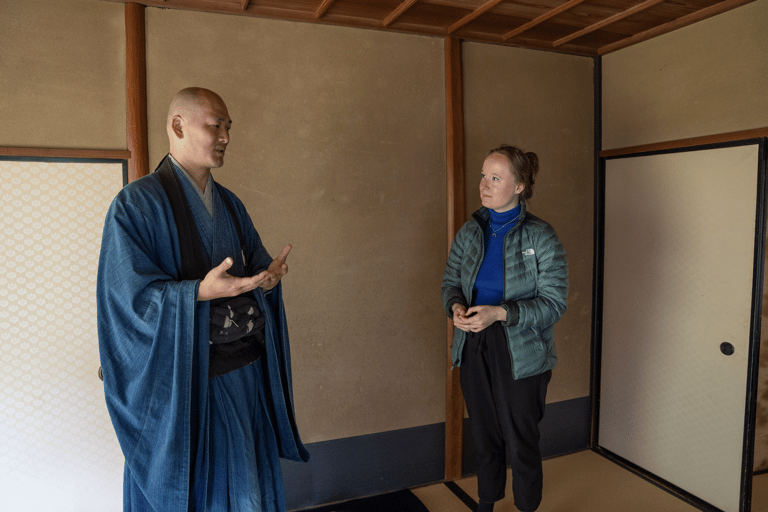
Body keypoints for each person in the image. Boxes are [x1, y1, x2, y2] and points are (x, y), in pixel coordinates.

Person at [97, 87, 309, 512]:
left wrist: (268, 279)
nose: (227, 135)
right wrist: (195, 292)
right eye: (217, 125)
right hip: (186, 383)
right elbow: (126, 301)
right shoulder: (134, 205)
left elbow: (257, 265)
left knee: (247, 479)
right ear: (178, 125)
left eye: (229, 127)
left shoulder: (230, 203)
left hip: (244, 373)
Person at [441, 144, 568, 512]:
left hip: (522, 352)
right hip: (473, 342)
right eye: (483, 175)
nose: (484, 184)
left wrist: (501, 314)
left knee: (521, 440)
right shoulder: (470, 232)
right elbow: (450, 282)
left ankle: (526, 507)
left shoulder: (541, 237)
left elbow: (554, 304)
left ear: (519, 186)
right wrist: (456, 307)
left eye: (495, 178)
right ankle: (486, 503)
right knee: (484, 433)